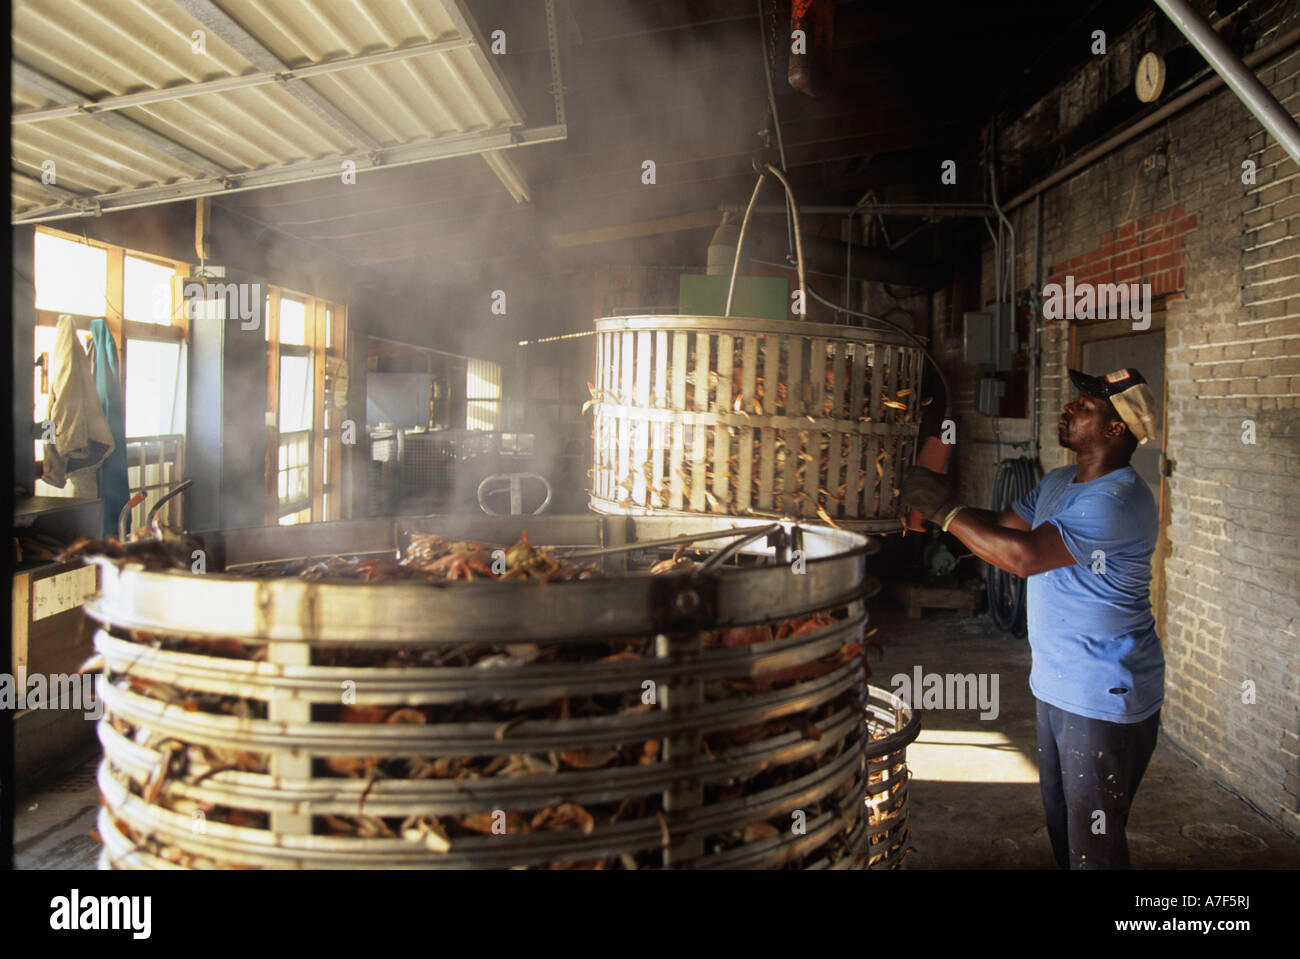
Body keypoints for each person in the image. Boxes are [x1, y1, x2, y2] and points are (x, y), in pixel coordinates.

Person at [900, 367, 1163, 869]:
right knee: (1065, 826)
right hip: (1059, 684)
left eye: (1084, 406)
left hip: (1103, 693)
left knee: (1095, 841)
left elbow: (1023, 556)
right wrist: (936, 510)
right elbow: (1002, 527)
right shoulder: (1061, 481)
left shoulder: (1118, 500)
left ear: (1114, 431)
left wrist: (945, 510)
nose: (1067, 408)